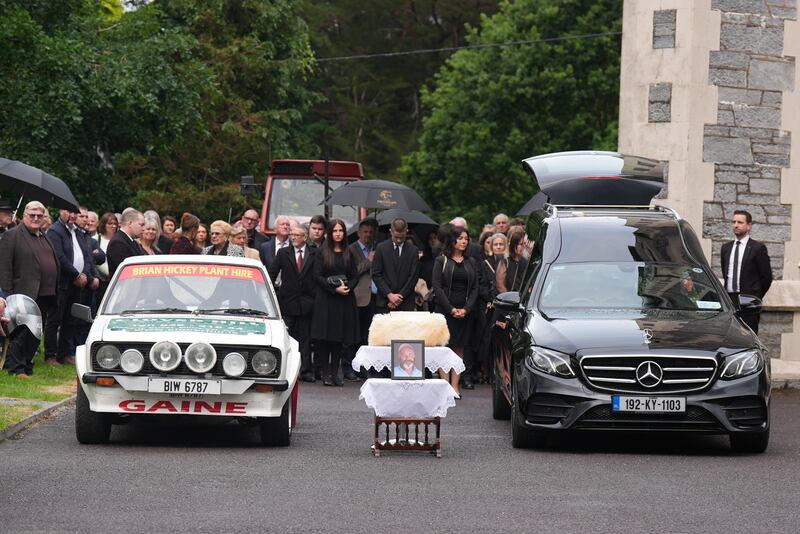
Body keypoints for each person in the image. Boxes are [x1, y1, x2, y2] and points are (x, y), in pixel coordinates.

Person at [0, 201, 60, 377]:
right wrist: (7, 294)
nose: (35, 218)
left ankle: (26, 365)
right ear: (24, 215)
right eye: (32, 215)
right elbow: (4, 267)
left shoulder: (43, 235)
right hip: (22, 294)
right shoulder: (13, 235)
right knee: (22, 333)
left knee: (35, 334)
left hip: (45, 294)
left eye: (39, 215)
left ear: (44, 218)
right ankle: (15, 368)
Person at [45, 208, 100, 365]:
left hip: (78, 283)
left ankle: (64, 353)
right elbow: (59, 256)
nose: (72, 216)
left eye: (75, 213)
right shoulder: (55, 231)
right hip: (62, 282)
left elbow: (86, 256)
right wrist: (76, 274)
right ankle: (50, 355)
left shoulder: (78, 232)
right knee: (55, 319)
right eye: (69, 212)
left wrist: (88, 276)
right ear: (61, 212)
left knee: (71, 319)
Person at [311, 219, 360, 386]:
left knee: (339, 338)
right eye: (335, 231)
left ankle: (335, 373)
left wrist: (348, 288)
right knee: (325, 339)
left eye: (341, 230)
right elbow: (317, 276)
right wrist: (334, 289)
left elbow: (355, 275)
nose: (338, 233)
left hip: (344, 300)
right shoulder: (322, 252)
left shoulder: (349, 251)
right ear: (329, 233)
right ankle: (325, 373)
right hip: (327, 299)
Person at [431, 226, 478, 398]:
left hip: (464, 312)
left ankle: (455, 386)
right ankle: (444, 386)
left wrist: (466, 309)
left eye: (466, 238)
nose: (464, 241)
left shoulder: (471, 261)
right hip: (444, 310)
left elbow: (475, 288)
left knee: (459, 349)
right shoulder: (441, 260)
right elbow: (436, 286)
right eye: (460, 238)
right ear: (453, 241)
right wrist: (450, 309)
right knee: (445, 347)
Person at [269, 224, 317, 382]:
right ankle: (286, 369)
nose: (293, 237)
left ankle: (306, 371)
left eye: (296, 235)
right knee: (287, 338)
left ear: (305, 237)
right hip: (287, 302)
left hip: (307, 303)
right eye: (291, 235)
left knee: (306, 339)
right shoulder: (283, 253)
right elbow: (272, 273)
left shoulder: (314, 253)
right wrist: (274, 295)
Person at [721, 209, 773, 333]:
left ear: (749, 226)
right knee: (729, 336)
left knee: (748, 337)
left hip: (748, 302)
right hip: (729, 301)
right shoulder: (726, 248)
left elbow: (766, 277)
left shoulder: (757, 248)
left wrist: (755, 296)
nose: (736, 225)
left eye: (740, 222)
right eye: (733, 222)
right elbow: (725, 272)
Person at [345, 218, 378, 380]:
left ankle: (364, 367)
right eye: (365, 232)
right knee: (353, 335)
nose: (368, 235)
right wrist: (368, 261)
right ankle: (349, 367)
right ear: (359, 233)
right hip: (358, 297)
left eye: (371, 232)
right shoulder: (351, 249)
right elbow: (353, 272)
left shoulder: (377, 249)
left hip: (374, 297)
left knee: (368, 336)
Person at [372, 218, 419, 315]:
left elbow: (413, 277)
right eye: (396, 237)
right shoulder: (381, 248)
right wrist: (389, 295)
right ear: (391, 231)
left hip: (406, 303)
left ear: (406, 232)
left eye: (402, 237)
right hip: (385, 303)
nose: (398, 240)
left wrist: (399, 297)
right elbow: (376, 274)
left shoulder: (413, 250)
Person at [107, 208, 145, 276]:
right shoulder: (117, 243)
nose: (143, 228)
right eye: (141, 225)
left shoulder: (131, 241)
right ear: (130, 223)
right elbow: (126, 272)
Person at [496, 227, 528, 294]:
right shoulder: (505, 260)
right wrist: (509, 298)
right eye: (521, 244)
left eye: (524, 244)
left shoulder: (525, 261)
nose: (523, 247)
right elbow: (500, 284)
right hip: (508, 299)